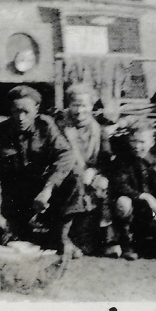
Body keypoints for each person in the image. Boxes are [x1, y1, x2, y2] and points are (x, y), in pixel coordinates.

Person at [0, 86, 80, 255]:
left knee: (73, 177)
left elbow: (65, 155)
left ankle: (61, 237)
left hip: (40, 194)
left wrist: (48, 188)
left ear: (36, 109)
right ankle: (19, 233)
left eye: (26, 111)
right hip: (13, 197)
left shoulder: (46, 126)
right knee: (6, 240)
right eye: (16, 111)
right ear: (10, 110)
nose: (21, 117)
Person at [55, 83, 118, 257]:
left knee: (103, 186)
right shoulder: (60, 127)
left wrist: (95, 170)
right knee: (76, 185)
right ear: (69, 105)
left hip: (89, 173)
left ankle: (108, 241)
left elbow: (105, 158)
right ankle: (66, 239)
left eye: (84, 105)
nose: (80, 110)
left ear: (91, 106)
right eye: (75, 105)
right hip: (65, 172)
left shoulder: (97, 130)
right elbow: (57, 155)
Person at [108, 117, 156, 261]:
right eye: (134, 141)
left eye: (142, 142)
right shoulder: (122, 161)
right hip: (130, 209)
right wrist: (144, 196)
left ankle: (149, 243)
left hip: (148, 211)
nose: (137, 146)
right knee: (123, 202)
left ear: (151, 142)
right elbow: (120, 186)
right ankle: (126, 244)